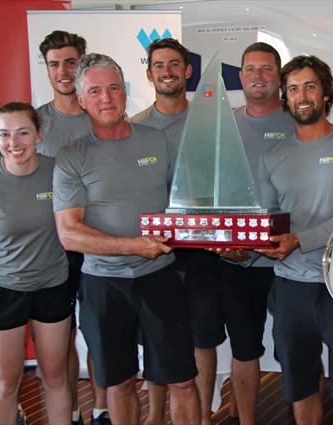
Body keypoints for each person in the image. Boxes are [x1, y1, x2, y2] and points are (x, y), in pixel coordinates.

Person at [52, 53, 200, 425]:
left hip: (162, 278)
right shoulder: (71, 158)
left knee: (182, 379)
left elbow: (185, 206)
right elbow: (69, 234)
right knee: (119, 384)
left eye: (114, 88)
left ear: (125, 91)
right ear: (82, 99)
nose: (107, 98)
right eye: (96, 91)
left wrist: (217, 235)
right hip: (104, 285)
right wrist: (134, 245)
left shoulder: (158, 141)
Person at [256, 55, 333, 425]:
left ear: (326, 93)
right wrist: (242, 246)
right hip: (292, 288)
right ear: (284, 97)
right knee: (301, 386)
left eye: (310, 86)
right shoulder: (272, 157)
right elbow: (268, 223)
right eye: (293, 89)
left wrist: (300, 240)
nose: (302, 96)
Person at [0, 102, 72, 425]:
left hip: (52, 286)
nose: (14, 143)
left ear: (38, 134)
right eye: (5, 134)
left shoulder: (58, 171)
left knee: (55, 377)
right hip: (1, 290)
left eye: (23, 133)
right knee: (6, 383)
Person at [130, 37, 221, 425]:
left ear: (187, 72)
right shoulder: (133, 127)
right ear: (149, 74)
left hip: (203, 246)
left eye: (174, 65)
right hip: (154, 247)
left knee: (202, 336)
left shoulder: (212, 119)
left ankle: (201, 417)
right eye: (159, 65)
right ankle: (155, 416)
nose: (166, 71)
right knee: (156, 334)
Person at [213, 41, 295, 425]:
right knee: (244, 350)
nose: (258, 76)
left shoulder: (300, 121)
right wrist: (221, 245)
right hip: (238, 260)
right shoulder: (222, 125)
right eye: (250, 69)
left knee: (297, 349)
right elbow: (211, 191)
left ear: (278, 76)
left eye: (266, 68)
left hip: (292, 259)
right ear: (240, 75)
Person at [37, 30, 108, 425]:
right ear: (46, 70)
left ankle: (100, 408)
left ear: (84, 65)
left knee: (98, 333)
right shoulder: (36, 123)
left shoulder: (105, 113)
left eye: (70, 62)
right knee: (60, 336)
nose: (63, 71)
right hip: (55, 251)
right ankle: (72, 410)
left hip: (103, 245)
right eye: (54, 64)